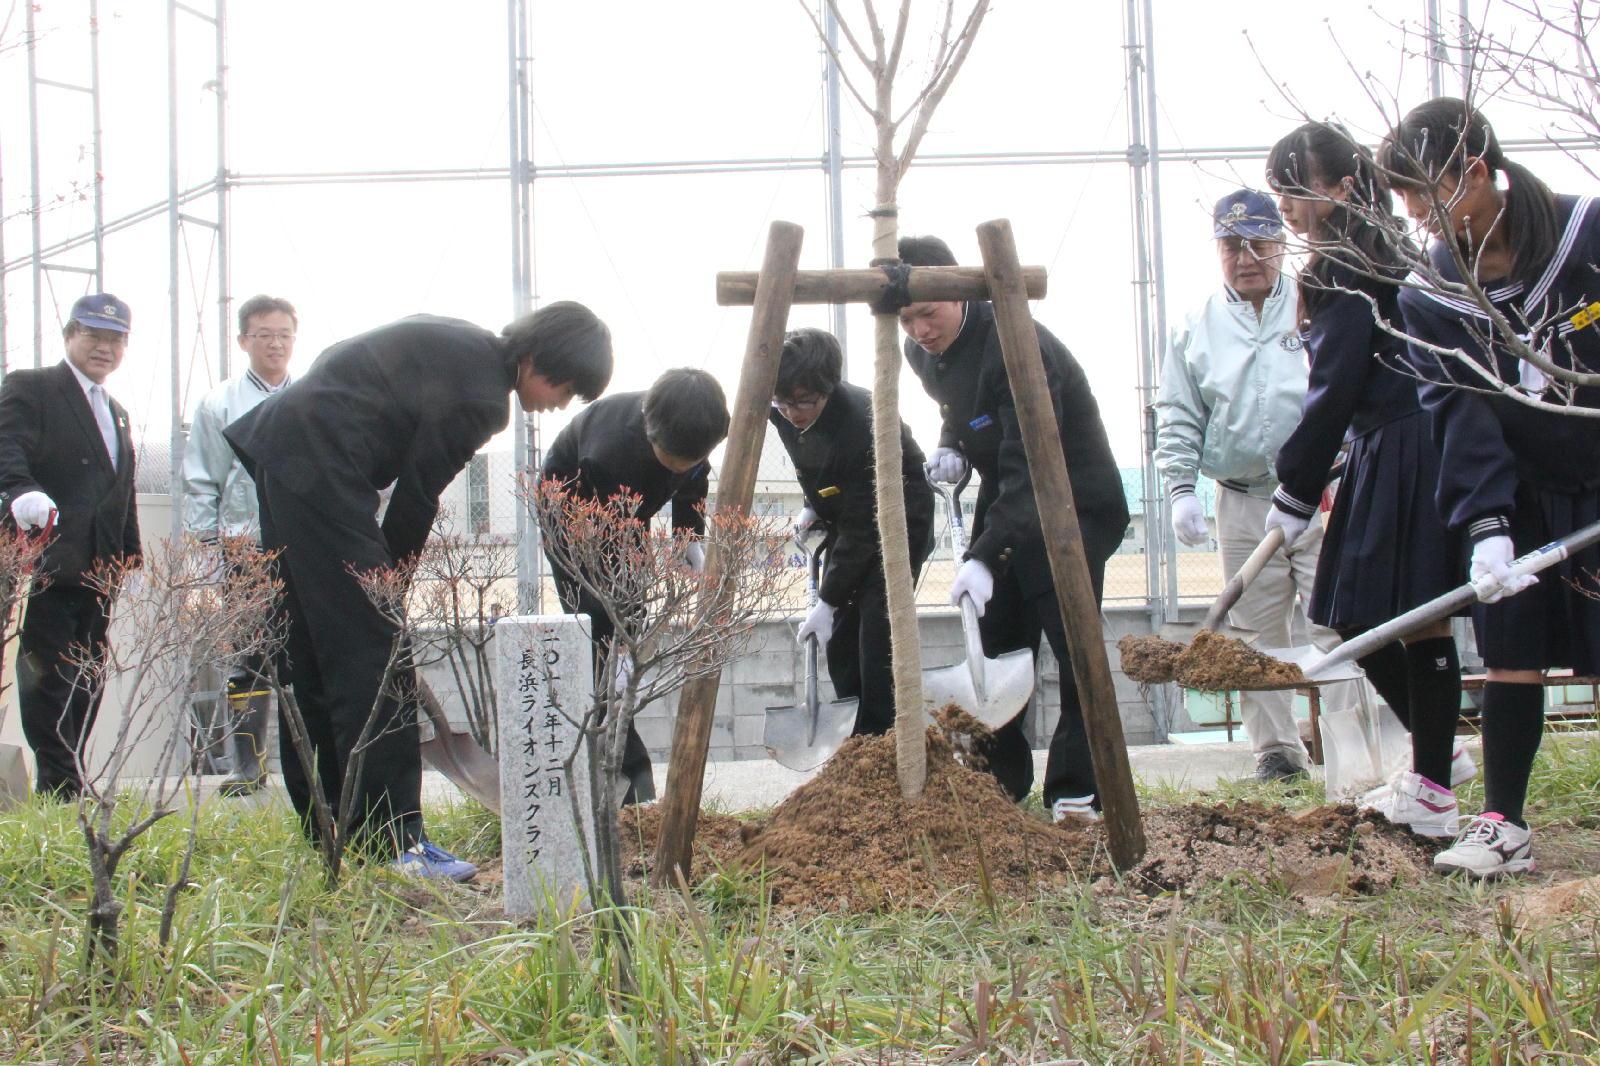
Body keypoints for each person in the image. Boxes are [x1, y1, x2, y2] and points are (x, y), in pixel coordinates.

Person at [225, 301, 613, 880]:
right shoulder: (484, 397)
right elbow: (417, 495)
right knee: (373, 658)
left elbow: (341, 363)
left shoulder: (467, 344)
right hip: (323, 465)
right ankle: (392, 842)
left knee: (308, 648)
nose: (559, 404)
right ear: (537, 359)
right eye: (564, 387)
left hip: (285, 451)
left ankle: (329, 826)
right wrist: (388, 591)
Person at [1381, 98, 1600, 877]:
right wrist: (1487, 525)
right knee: (1512, 641)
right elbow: (1457, 412)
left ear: (1478, 172)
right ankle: (1504, 823)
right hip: (1522, 485)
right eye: (1410, 207)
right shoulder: (1433, 294)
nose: (1424, 222)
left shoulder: (1588, 238)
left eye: (1430, 198)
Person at [1264, 121, 1468, 836]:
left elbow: (1337, 386)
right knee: (1405, 614)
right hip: (1408, 439)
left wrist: (1294, 485)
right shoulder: (1386, 253)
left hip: (1402, 441)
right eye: (1278, 189)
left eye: (1296, 186)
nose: (1285, 204)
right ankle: (1438, 767)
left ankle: (1436, 781)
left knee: (1374, 613)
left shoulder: (1341, 266)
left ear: (1342, 187)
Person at [896, 235, 1131, 822]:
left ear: (958, 288)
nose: (920, 329)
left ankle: (1078, 790)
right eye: (906, 318)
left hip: (1071, 498)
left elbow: (1034, 455)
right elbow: (960, 411)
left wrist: (984, 553)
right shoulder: (922, 353)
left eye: (929, 312)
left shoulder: (1015, 342)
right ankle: (1001, 784)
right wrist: (950, 445)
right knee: (1000, 638)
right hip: (1011, 491)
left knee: (1074, 649)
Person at [1156, 189, 1379, 782]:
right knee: (1255, 631)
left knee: (1335, 621)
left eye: (1259, 243)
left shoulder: (1315, 303)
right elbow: (1179, 410)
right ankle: (1277, 752)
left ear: (1281, 244)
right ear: (1218, 252)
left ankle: (1355, 747)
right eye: (1232, 246)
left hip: (1323, 496)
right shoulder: (1194, 326)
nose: (1246, 257)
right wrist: (1181, 486)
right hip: (1243, 497)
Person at [539, 366, 730, 804]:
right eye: (673, 460)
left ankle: (625, 758)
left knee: (625, 628)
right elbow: (613, 558)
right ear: (650, 431)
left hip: (628, 512)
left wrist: (688, 538)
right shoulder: (610, 454)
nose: (682, 467)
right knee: (599, 632)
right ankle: (623, 774)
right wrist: (620, 642)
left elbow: (693, 481)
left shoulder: (694, 426)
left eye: (692, 457)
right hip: (576, 519)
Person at [0, 294, 141, 800]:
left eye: (115, 339)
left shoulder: (118, 412)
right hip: (47, 559)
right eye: (93, 335)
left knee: (89, 674)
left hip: (99, 566)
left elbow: (119, 489)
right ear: (69, 335)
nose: (104, 347)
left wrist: (129, 552)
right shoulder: (32, 387)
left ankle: (71, 774)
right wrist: (21, 491)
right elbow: (5, 444)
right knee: (49, 673)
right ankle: (61, 785)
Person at [769, 327, 935, 736]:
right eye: (783, 402)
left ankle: (886, 738)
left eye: (804, 401)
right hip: (849, 515)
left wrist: (826, 599)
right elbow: (810, 466)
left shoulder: (866, 419)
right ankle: (856, 733)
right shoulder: (782, 409)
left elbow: (865, 527)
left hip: (899, 516)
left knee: (878, 626)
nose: (792, 412)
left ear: (828, 387)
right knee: (841, 638)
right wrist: (814, 504)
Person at [182, 294, 299, 795]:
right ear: (243, 340)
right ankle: (249, 767)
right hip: (244, 549)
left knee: (304, 654)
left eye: (284, 334)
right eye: (264, 334)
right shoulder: (219, 403)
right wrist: (208, 548)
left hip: (301, 543)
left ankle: (310, 764)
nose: (275, 343)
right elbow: (201, 479)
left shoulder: (311, 393)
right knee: (250, 655)